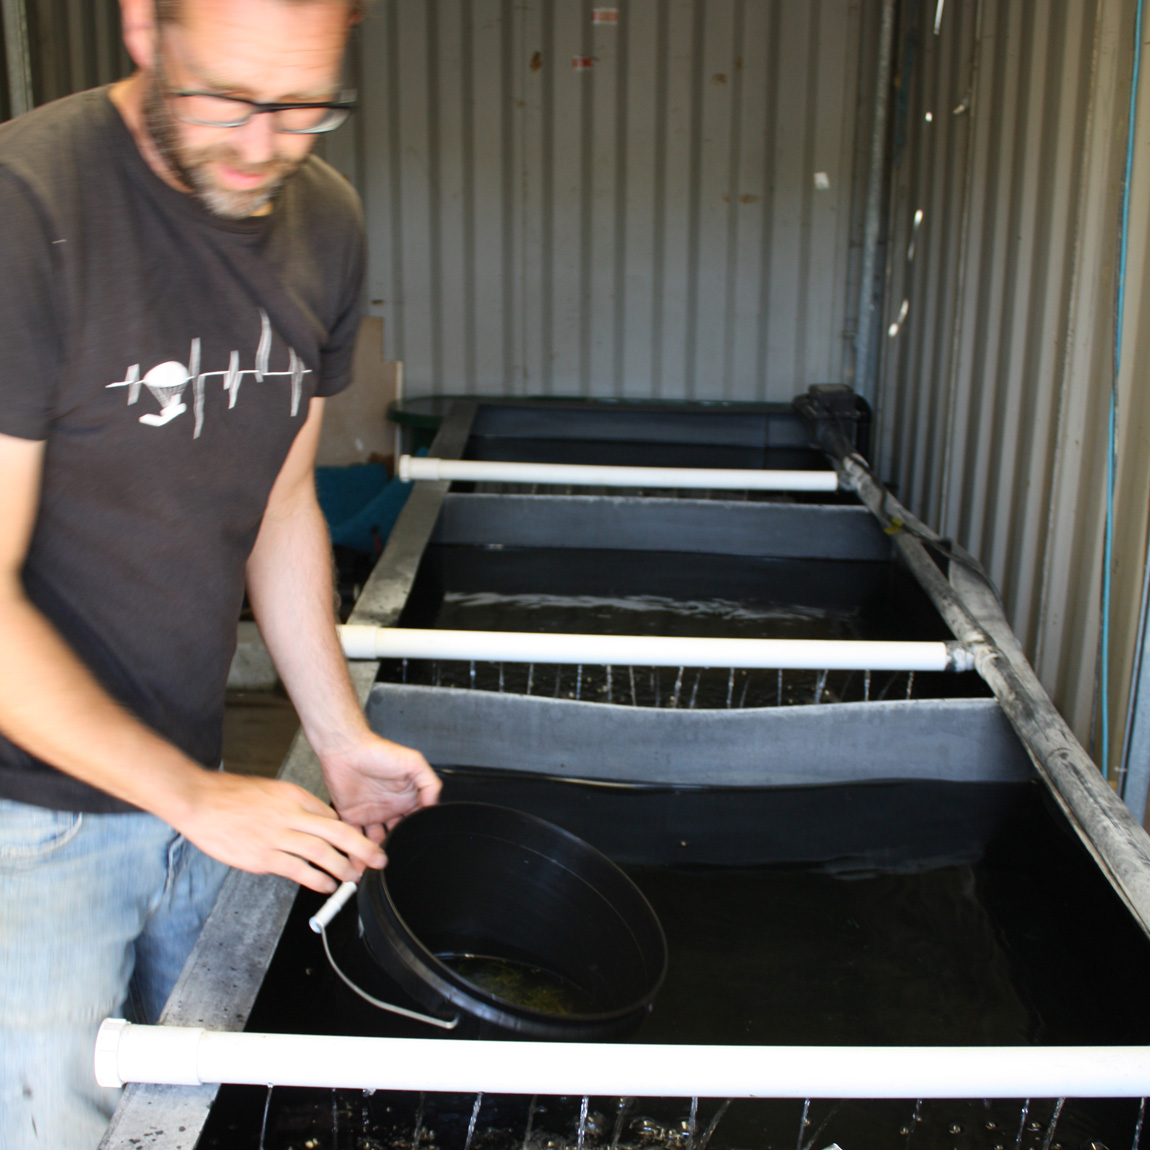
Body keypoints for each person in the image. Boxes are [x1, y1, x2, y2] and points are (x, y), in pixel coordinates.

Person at [0, 1, 442, 1146]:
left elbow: (280, 502)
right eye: (226, 100)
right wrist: (197, 798)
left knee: (200, 1102)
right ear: (143, 27)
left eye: (303, 105)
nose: (262, 145)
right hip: (22, 822)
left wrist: (337, 735)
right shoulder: (25, 210)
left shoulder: (324, 221)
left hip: (193, 780)